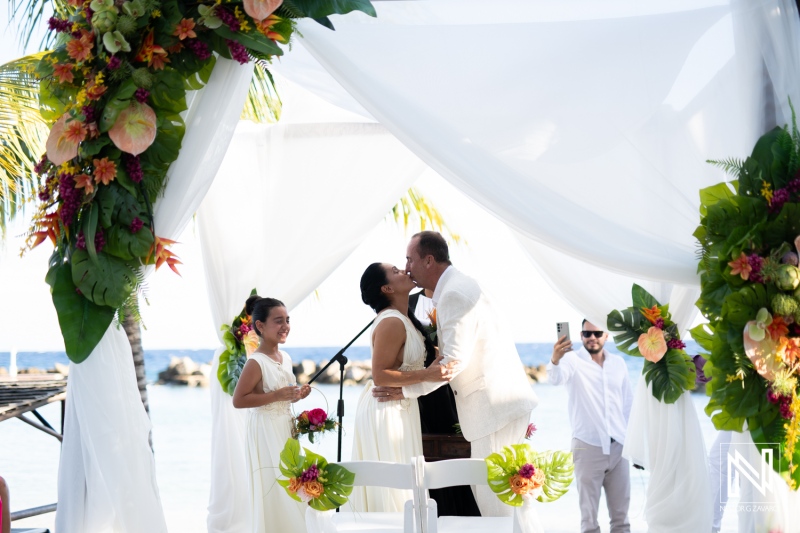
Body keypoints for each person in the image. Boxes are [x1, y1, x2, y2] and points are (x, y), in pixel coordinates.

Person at [374, 231, 538, 517]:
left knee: (496, 501)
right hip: (500, 405)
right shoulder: (462, 285)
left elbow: (452, 364)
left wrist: (405, 391)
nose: (407, 267)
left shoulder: (452, 294)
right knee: (511, 497)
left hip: (492, 408)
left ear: (428, 260)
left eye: (409, 260)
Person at [352, 263, 457, 512]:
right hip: (388, 409)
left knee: (405, 481)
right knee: (394, 485)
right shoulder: (391, 322)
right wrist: (427, 374)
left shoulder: (404, 319)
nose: (405, 271)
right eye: (397, 271)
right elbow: (379, 375)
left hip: (402, 406)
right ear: (387, 288)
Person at [232, 296, 311, 533]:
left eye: (287, 320)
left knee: (294, 481)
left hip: (285, 428)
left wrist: (298, 395)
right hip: (265, 430)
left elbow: (283, 393)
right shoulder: (255, 362)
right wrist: (277, 396)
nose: (285, 325)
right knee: (276, 484)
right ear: (260, 326)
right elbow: (239, 400)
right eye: (278, 321)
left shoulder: (284, 357)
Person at [549, 320, 633, 533]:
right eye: (587, 333)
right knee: (589, 522)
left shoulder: (619, 364)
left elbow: (628, 405)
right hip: (587, 448)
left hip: (619, 449)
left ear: (606, 336)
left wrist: (634, 444)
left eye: (597, 333)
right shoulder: (571, 361)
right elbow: (555, 378)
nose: (592, 337)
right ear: (581, 335)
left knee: (621, 520)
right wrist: (555, 359)